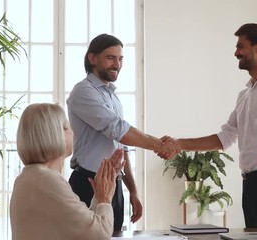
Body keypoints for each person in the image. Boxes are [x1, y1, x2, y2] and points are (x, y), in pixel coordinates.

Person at [159, 23, 257, 230]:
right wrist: (178, 144)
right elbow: (225, 137)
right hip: (250, 184)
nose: (236, 52)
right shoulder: (245, 95)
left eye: (241, 46)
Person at [67, 33, 179, 232]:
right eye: (110, 58)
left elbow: (121, 148)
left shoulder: (113, 97)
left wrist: (132, 192)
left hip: (114, 185)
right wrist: (160, 145)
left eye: (120, 59)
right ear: (92, 58)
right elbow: (118, 129)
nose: (117, 64)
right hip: (88, 183)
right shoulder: (83, 92)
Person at [10, 103, 125, 240]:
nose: (72, 132)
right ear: (54, 135)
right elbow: (99, 234)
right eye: (66, 127)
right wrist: (105, 198)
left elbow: (81, 229)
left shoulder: (29, 178)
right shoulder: (48, 182)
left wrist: (100, 194)